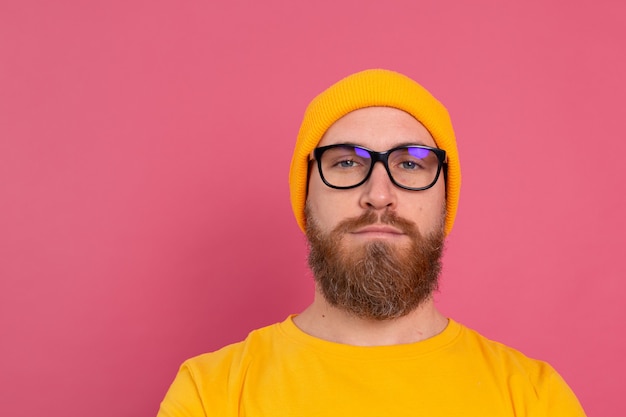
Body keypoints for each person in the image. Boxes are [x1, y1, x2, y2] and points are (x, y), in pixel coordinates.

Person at [157, 69, 586, 416]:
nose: (379, 195)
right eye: (346, 162)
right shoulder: (210, 395)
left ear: (444, 199)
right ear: (306, 196)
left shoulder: (533, 399)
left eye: (411, 163)